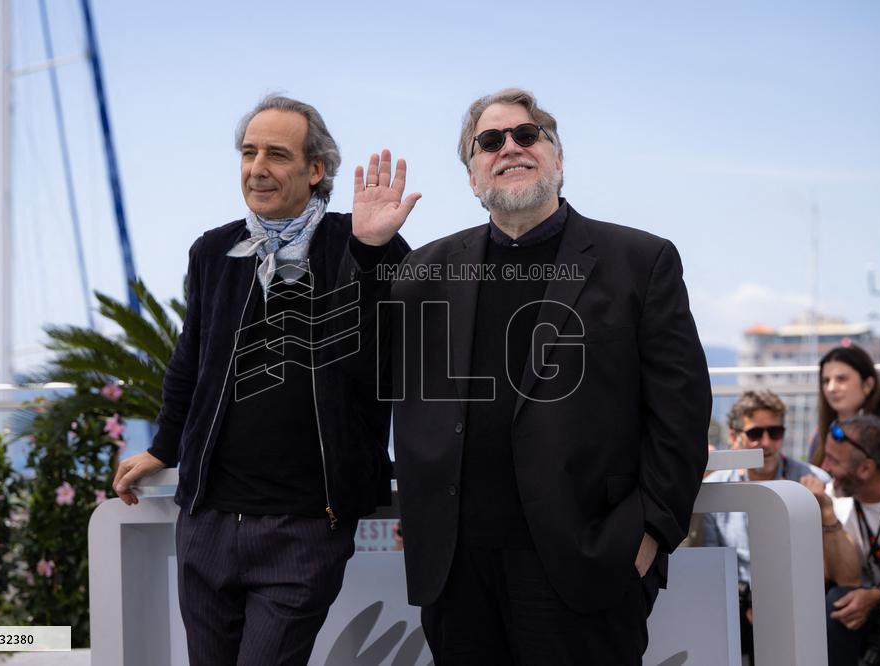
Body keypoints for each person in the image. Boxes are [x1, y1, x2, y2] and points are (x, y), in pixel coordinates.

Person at [359, 88, 712, 664]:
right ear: (473, 177)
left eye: (527, 135)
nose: (510, 148)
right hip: (458, 573)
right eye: (490, 142)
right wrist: (370, 253)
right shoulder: (423, 269)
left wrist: (648, 534)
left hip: (585, 566)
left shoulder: (640, 262)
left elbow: (682, 412)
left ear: (558, 159)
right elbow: (363, 363)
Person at [111, 95, 415, 665]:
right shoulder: (213, 250)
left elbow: (389, 357)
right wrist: (163, 448)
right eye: (249, 152)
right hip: (207, 521)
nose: (257, 168)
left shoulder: (367, 244)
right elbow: (190, 360)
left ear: (315, 169)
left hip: (305, 527)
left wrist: (372, 253)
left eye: (277, 154)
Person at [701, 389, 828, 660]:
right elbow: (711, 566)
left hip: (796, 592)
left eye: (775, 432)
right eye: (756, 433)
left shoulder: (814, 481)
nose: (766, 443)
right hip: (734, 597)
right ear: (735, 437)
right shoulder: (714, 488)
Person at [801, 415, 880, 666]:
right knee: (837, 604)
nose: (824, 468)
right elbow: (846, 580)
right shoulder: (833, 497)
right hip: (877, 606)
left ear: (865, 468)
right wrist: (826, 514)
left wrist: (879, 596)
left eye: (833, 460)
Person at [811, 344, 880, 469]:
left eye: (841, 379)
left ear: (868, 385)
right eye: (826, 381)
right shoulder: (822, 435)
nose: (831, 388)